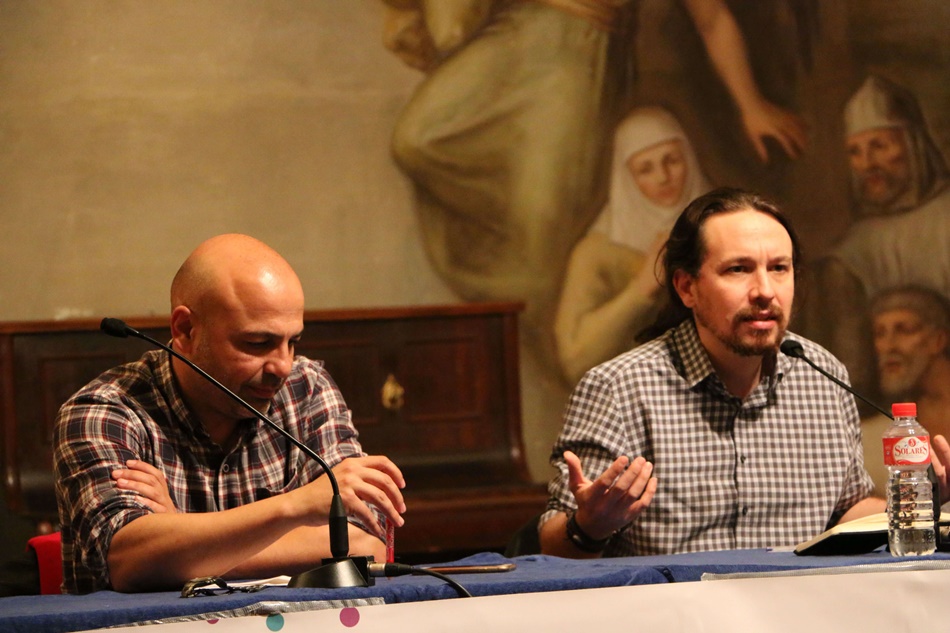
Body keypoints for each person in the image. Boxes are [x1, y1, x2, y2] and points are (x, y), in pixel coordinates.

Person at [539, 188, 950, 558]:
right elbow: (553, 547)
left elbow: (846, 510)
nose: (765, 291)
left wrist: (919, 505)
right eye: (738, 269)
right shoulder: (619, 388)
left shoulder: (822, 374)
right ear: (687, 288)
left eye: (779, 268)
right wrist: (588, 528)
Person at [382, 0, 806, 323]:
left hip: (580, 56)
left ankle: (535, 324)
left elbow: (711, 18)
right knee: (415, 140)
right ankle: (508, 265)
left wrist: (750, 104)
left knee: (543, 225)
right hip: (513, 38)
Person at [53, 234, 407, 594]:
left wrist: (180, 532)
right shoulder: (105, 411)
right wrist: (295, 507)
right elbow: (128, 562)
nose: (283, 366)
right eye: (257, 343)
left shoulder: (307, 386)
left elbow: (365, 545)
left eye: (293, 341)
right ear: (185, 330)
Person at [802, 75, 950, 399]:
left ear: (912, 144)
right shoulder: (846, 256)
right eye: (855, 152)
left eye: (879, 146)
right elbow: (852, 376)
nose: (867, 164)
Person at [554, 106, 711, 385]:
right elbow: (574, 358)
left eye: (672, 160)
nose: (663, 177)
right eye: (645, 169)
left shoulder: (724, 229)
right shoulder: (596, 253)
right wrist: (641, 290)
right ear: (627, 178)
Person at [861, 285, 950, 497]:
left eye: (904, 330)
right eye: (880, 333)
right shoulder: (873, 435)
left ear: (938, 340)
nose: (888, 345)